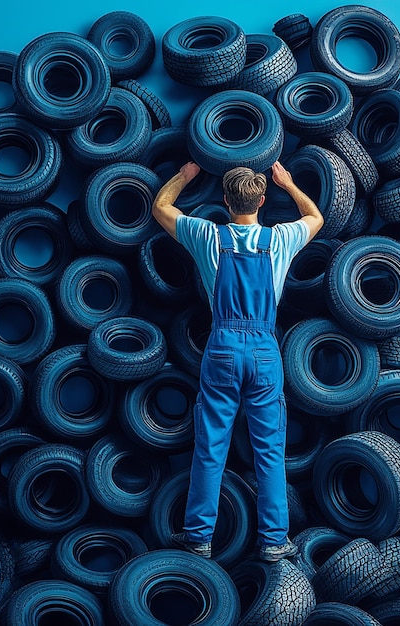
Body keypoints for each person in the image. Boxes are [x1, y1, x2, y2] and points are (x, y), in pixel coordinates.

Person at [151, 160, 323, 562]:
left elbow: (160, 208)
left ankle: (198, 537)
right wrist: (291, 184)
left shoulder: (207, 235)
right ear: (262, 200)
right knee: (269, 449)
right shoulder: (280, 239)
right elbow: (315, 216)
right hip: (265, 351)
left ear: (224, 201)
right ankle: (274, 540)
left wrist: (183, 175)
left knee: (211, 445)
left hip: (223, 348)